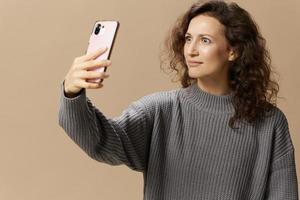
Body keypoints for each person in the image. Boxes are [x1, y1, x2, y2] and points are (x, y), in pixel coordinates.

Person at [58, 0, 299, 199]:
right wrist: (72, 93)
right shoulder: (160, 110)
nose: (191, 50)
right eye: (188, 38)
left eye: (205, 40)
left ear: (232, 51)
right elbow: (101, 142)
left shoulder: (270, 123)